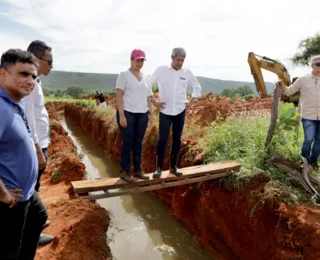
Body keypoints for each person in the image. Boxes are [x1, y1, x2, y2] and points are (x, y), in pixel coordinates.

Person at [0, 48, 48, 259]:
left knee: (39, 217)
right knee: (9, 249)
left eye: (33, 76)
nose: (30, 81)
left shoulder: (14, 103)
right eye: (23, 74)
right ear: (3, 74)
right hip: (10, 199)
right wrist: (2, 192)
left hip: (25, 192)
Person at [150, 47, 202, 178]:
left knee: (177, 139)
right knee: (162, 139)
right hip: (165, 111)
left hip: (180, 110)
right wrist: (154, 102)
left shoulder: (187, 72)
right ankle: (158, 168)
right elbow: (147, 84)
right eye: (178, 59)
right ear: (172, 58)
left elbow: (197, 86)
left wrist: (191, 102)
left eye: (182, 60)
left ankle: (174, 167)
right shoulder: (162, 70)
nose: (180, 62)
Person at [24, 40, 54, 245]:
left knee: (33, 189)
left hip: (40, 144)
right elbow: (28, 118)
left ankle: (31, 233)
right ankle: (28, 238)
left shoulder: (36, 81)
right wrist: (38, 150)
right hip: (35, 147)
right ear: (36, 58)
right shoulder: (29, 83)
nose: (51, 66)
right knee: (29, 193)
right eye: (49, 62)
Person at [115, 49, 153, 182]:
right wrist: (122, 115)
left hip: (142, 114)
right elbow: (118, 95)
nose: (140, 63)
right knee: (128, 142)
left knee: (138, 143)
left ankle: (137, 170)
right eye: (137, 60)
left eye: (142, 60)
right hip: (128, 113)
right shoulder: (124, 75)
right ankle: (125, 171)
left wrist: (151, 115)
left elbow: (148, 97)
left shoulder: (146, 77)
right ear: (131, 60)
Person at [277, 55, 320, 170]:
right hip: (309, 116)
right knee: (309, 139)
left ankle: (314, 163)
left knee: (319, 141)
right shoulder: (303, 79)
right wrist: (281, 85)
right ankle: (305, 162)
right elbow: (289, 91)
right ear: (312, 66)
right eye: (318, 64)